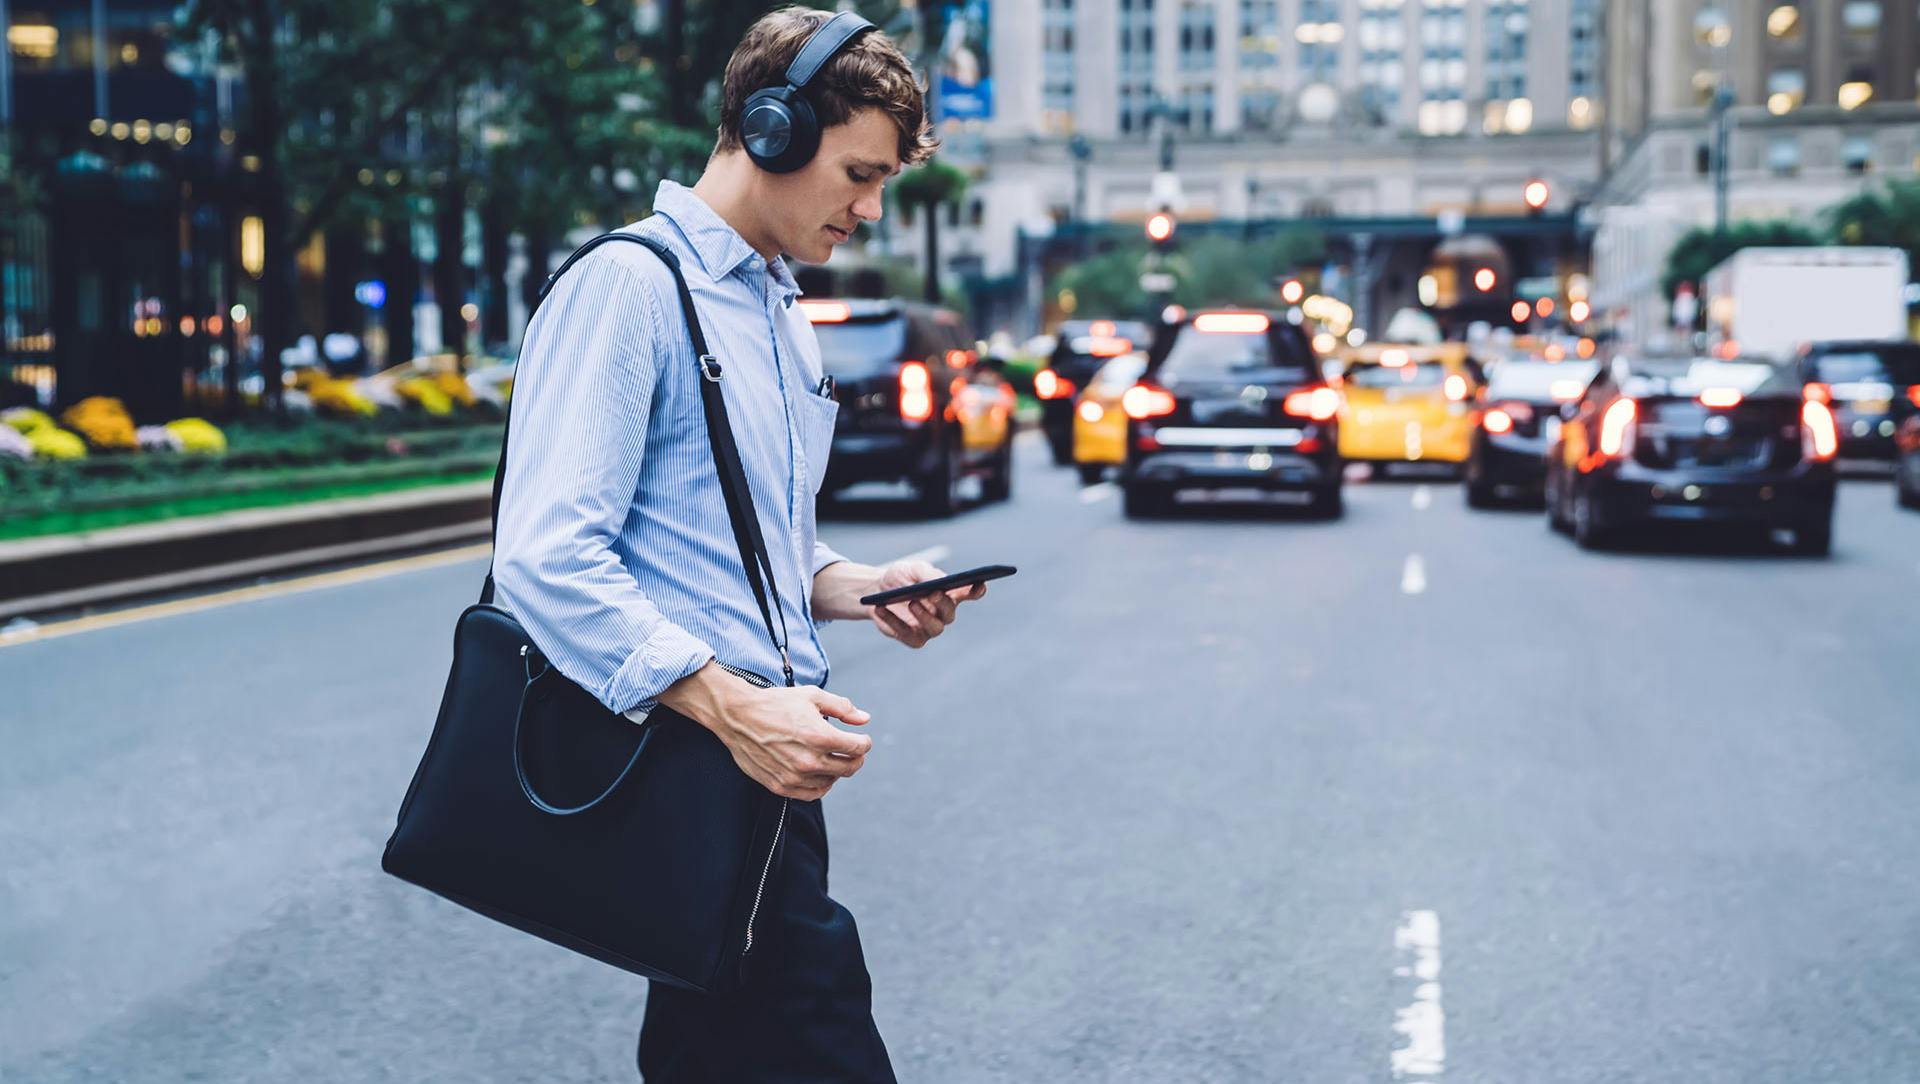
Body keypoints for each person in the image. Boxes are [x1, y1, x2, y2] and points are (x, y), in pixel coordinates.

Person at [489, 7, 980, 1081]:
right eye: (858, 171)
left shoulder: (773, 306)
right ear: (771, 131)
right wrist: (733, 705)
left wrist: (862, 587)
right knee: (815, 1027)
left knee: (711, 1048)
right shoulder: (632, 287)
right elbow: (546, 555)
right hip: (702, 751)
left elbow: (747, 545)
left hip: (769, 768)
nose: (871, 206)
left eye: (886, 179)